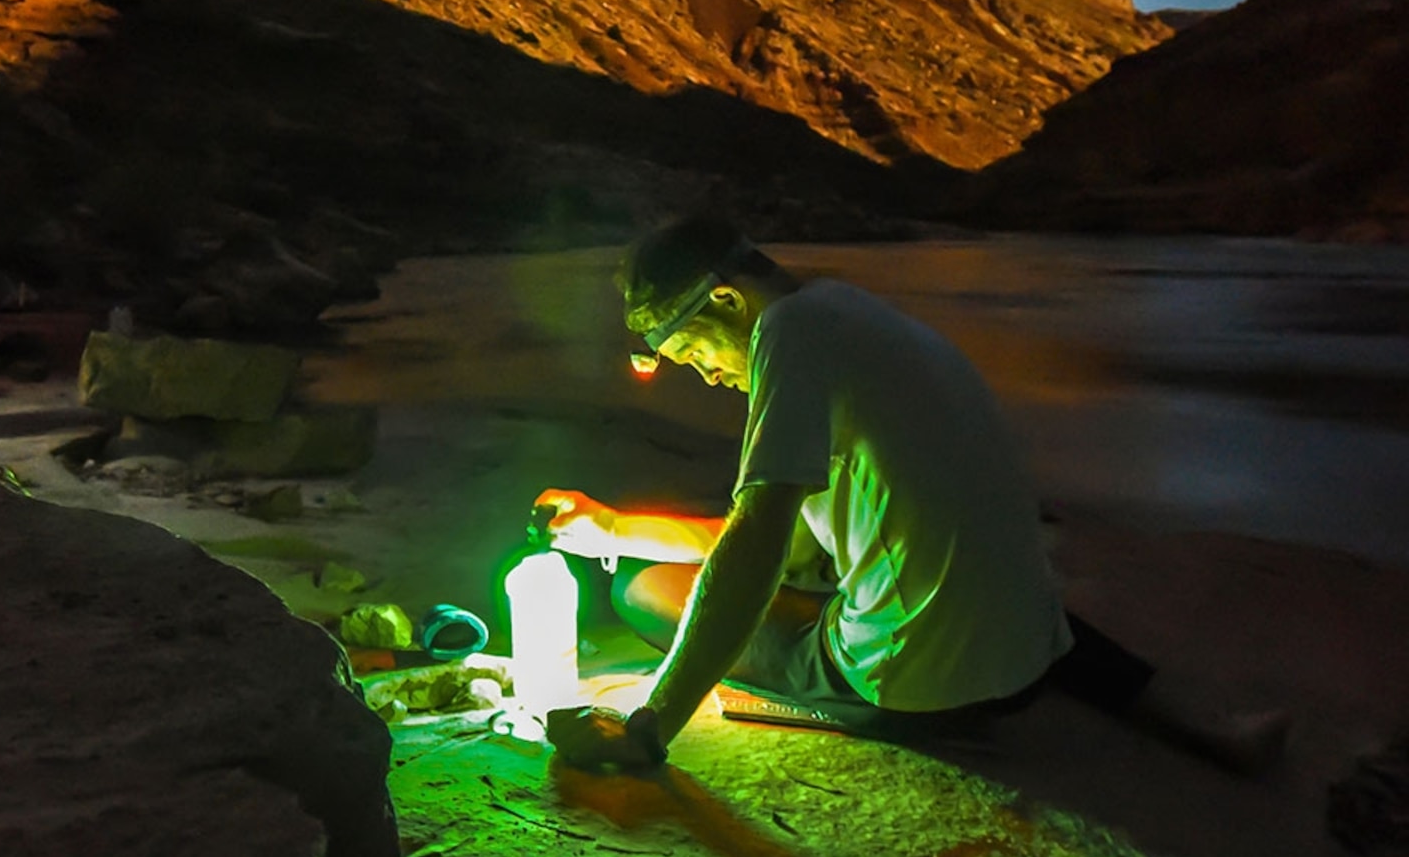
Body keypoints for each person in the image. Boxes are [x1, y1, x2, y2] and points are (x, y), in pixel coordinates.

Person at [540, 213, 1288, 777]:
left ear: (729, 302)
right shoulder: (852, 313)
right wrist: (612, 524)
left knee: (647, 594)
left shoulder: (786, 338)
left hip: (922, 688)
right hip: (1031, 650)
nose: (703, 375)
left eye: (687, 351)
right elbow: (792, 544)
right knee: (981, 582)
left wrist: (649, 726)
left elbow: (757, 541)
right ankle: (1211, 728)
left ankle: (862, 690)